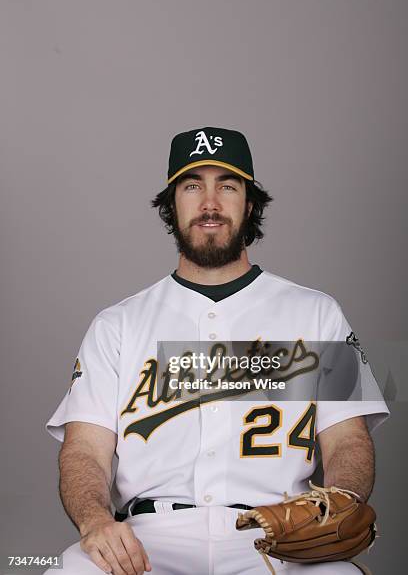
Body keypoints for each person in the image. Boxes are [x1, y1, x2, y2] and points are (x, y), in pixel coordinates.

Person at [44, 127, 389, 575]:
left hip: (280, 537)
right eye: (192, 186)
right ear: (172, 205)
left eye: (227, 185)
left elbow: (347, 438)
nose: (210, 203)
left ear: (249, 203)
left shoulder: (316, 313)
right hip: (147, 539)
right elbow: (84, 451)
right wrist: (95, 523)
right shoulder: (118, 325)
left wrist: (337, 505)